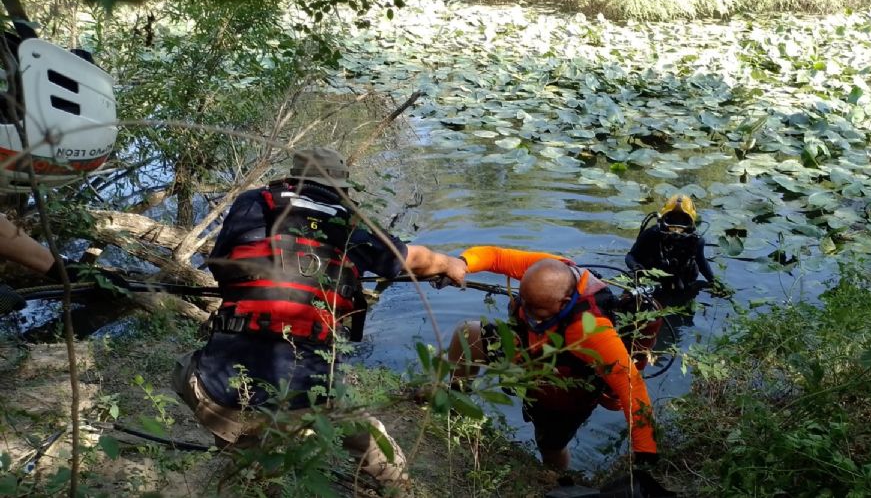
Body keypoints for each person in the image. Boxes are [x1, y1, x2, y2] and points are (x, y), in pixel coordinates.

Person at [172, 146, 468, 489]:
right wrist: (450, 264)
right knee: (376, 450)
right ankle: (395, 487)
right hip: (310, 394)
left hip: (218, 393)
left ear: (292, 177)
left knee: (188, 374)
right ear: (341, 188)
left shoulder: (251, 203)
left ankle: (249, 467)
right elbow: (410, 259)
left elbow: (225, 273)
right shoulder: (351, 224)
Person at [444, 246, 675, 497]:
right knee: (468, 334)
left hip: (565, 385)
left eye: (538, 312)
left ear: (564, 303)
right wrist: (460, 263)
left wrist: (645, 447)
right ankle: (454, 404)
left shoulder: (591, 329)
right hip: (526, 351)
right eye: (526, 305)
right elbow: (496, 256)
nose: (529, 314)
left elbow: (629, 381)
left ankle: (556, 482)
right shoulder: (544, 269)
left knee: (550, 446)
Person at [625, 194, 719, 309]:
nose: (676, 228)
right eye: (672, 219)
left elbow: (702, 262)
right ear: (664, 218)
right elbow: (630, 256)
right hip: (653, 278)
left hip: (683, 280)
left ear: (691, 222)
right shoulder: (652, 234)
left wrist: (715, 283)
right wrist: (637, 268)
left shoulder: (696, 241)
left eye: (683, 221)